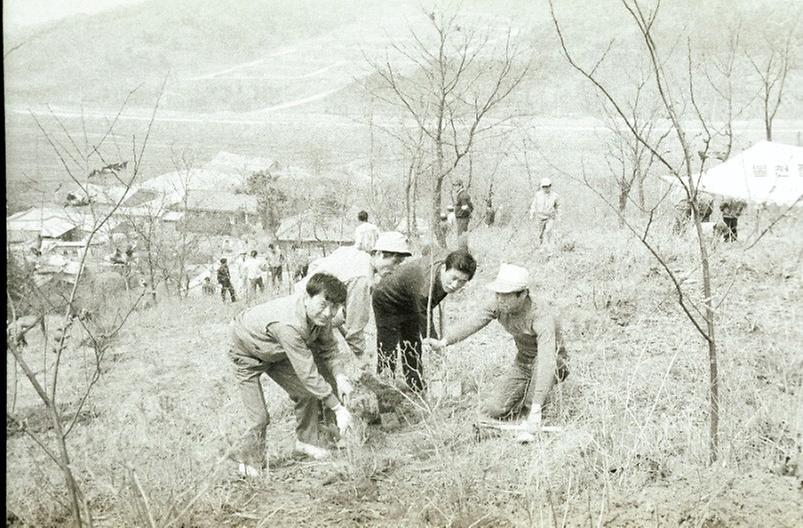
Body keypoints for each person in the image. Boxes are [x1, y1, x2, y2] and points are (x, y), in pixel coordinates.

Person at [424, 263, 569, 442]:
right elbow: (473, 321)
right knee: (492, 409)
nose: (500, 299)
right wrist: (444, 341)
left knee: (530, 408)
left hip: (553, 361)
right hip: (523, 362)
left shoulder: (541, 315)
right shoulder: (497, 303)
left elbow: (548, 359)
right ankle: (520, 413)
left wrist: (537, 407)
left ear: (523, 294)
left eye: (506, 295)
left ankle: (530, 411)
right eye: (498, 293)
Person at [227, 273, 354, 476]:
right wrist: (338, 408)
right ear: (307, 297)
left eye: (334, 307)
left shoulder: (322, 318)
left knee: (305, 393)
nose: (328, 313)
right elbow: (309, 374)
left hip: (276, 350)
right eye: (323, 305)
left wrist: (340, 377)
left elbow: (330, 349)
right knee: (259, 417)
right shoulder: (288, 325)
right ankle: (248, 462)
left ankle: (306, 441)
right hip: (246, 350)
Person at [296, 232, 412, 370]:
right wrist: (362, 356)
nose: (396, 268)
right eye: (395, 262)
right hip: (306, 314)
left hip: (303, 301)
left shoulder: (355, 254)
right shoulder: (362, 278)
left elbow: (315, 266)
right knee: (318, 374)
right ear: (380, 254)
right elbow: (355, 326)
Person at [372, 248, 477, 392]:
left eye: (462, 281)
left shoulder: (444, 265)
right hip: (387, 298)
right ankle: (385, 388)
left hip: (409, 299)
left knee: (412, 343)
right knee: (388, 345)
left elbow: (431, 248)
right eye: (453, 278)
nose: (455, 285)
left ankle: (415, 385)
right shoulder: (425, 289)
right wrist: (436, 347)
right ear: (445, 268)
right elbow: (426, 323)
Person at [529, 178, 559, 250]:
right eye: (544, 187)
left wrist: (559, 216)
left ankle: (549, 247)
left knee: (548, 231)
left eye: (547, 186)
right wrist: (532, 214)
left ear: (550, 186)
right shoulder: (538, 195)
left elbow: (558, 206)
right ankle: (540, 247)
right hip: (539, 217)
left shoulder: (555, 196)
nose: (546, 188)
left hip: (550, 217)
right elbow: (534, 205)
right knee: (540, 234)